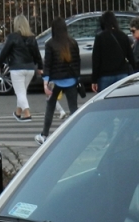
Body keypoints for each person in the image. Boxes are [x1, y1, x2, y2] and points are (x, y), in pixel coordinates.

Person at [36, 17, 80, 145]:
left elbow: (47, 65)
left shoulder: (50, 44)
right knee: (73, 109)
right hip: (71, 80)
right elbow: (77, 62)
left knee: (50, 107)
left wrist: (45, 83)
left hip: (55, 81)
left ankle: (44, 134)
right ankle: (77, 135)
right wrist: (77, 78)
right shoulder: (73, 43)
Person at [0, 15, 44, 122]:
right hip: (30, 69)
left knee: (20, 92)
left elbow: (4, 52)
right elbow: (37, 54)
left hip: (17, 68)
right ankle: (18, 113)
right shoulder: (32, 38)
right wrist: (40, 67)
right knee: (22, 92)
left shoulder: (12, 37)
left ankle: (27, 114)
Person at [89, 11, 133, 92]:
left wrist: (94, 80)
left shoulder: (100, 37)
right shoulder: (123, 36)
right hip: (122, 73)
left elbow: (96, 60)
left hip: (105, 75)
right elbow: (131, 57)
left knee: (105, 102)